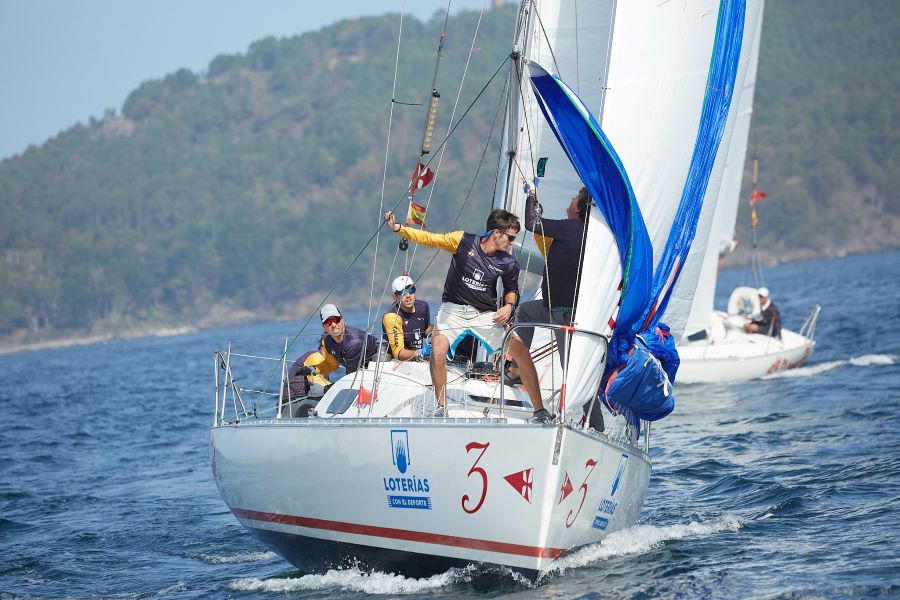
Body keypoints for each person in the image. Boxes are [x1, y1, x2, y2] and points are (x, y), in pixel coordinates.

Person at [384, 208, 552, 423]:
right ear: (496, 233)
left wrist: (509, 306)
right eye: (510, 237)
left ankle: (540, 411)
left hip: (485, 315)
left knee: (522, 353)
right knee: (437, 352)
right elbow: (430, 238)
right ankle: (441, 407)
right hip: (453, 310)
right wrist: (398, 228)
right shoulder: (463, 241)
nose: (512, 242)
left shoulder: (508, 263)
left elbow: (512, 290)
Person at [516, 183, 591, 362]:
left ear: (578, 209)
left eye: (576, 197)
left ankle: (519, 368)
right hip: (554, 309)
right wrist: (538, 213)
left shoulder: (573, 227)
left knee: (569, 366)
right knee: (523, 312)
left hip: (566, 314)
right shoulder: (585, 232)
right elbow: (539, 226)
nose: (572, 198)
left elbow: (531, 223)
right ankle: (519, 368)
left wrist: (531, 195)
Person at [382, 275, 433, 361]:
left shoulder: (423, 307)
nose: (408, 295)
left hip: (420, 359)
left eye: (411, 290)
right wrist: (420, 353)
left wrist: (439, 329)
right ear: (395, 297)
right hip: (398, 361)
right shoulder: (391, 317)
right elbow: (398, 353)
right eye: (402, 292)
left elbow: (426, 332)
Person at [319, 304, 379, 374]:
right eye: (328, 322)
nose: (334, 325)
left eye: (336, 319)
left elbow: (352, 375)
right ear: (323, 326)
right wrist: (314, 369)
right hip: (362, 372)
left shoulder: (353, 342)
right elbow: (332, 365)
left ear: (342, 320)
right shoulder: (327, 342)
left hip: (381, 368)